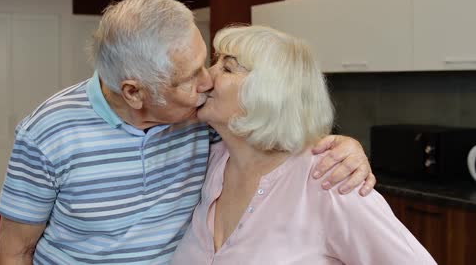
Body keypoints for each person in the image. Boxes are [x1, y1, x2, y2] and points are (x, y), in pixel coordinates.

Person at [0, 0, 375, 265]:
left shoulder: (202, 124)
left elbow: (267, 134)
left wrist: (342, 144)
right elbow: (16, 251)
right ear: (134, 92)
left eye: (206, 63)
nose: (207, 80)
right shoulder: (46, 133)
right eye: (190, 77)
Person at [171, 25, 435, 264]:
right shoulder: (207, 159)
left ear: (268, 94)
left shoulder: (329, 179)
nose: (205, 77)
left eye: (226, 68)